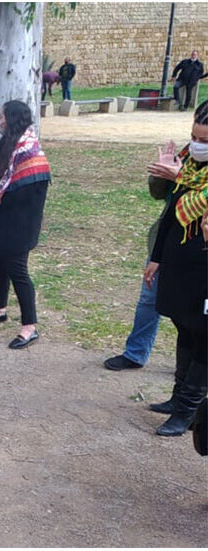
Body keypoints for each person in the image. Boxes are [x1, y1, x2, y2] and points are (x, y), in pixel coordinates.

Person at [142, 100, 208, 436]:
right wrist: (156, 258)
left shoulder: (196, 178)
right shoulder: (192, 171)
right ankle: (178, 397)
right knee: (185, 327)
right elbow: (170, 214)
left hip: (205, 270)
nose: (197, 145)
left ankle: (188, 411)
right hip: (182, 264)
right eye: (195, 136)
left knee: (205, 338)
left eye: (205, 140)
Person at [0, 101, 51, 350]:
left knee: (18, 271)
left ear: (12, 118)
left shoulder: (30, 152)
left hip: (19, 225)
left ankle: (30, 327)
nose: (0, 119)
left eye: (3, 115)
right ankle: (0, 310)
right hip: (0, 220)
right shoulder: (7, 145)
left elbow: (20, 195)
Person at [102, 140, 176, 371]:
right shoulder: (189, 159)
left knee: (192, 310)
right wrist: (162, 175)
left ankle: (195, 366)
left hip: (198, 252)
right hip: (164, 244)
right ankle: (135, 353)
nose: (198, 143)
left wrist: (183, 178)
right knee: (149, 301)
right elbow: (159, 195)